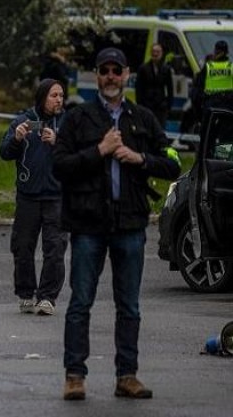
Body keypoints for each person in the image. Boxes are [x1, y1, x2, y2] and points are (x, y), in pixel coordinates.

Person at [53, 47, 181, 401]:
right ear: (97, 75)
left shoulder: (143, 118)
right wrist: (100, 150)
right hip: (88, 225)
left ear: (127, 76)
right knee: (81, 303)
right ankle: (74, 376)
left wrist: (140, 158)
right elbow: (59, 166)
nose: (111, 77)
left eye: (117, 71)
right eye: (105, 71)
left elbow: (173, 162)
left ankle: (127, 375)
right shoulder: (79, 118)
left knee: (130, 306)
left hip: (129, 225)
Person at [0, 79, 67, 316]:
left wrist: (58, 142)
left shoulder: (67, 122)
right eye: (54, 95)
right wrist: (17, 139)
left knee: (55, 248)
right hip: (28, 196)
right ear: (42, 98)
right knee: (23, 247)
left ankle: (47, 297)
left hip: (57, 196)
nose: (59, 99)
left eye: (61, 95)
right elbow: (4, 153)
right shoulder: (23, 121)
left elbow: (81, 153)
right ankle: (26, 293)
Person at [135, 43, 173, 127]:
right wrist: (140, 105)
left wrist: (168, 105)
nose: (155, 54)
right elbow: (139, 88)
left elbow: (170, 88)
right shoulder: (143, 68)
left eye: (157, 52)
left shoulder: (166, 69)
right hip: (147, 105)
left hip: (160, 106)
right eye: (153, 52)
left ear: (162, 53)